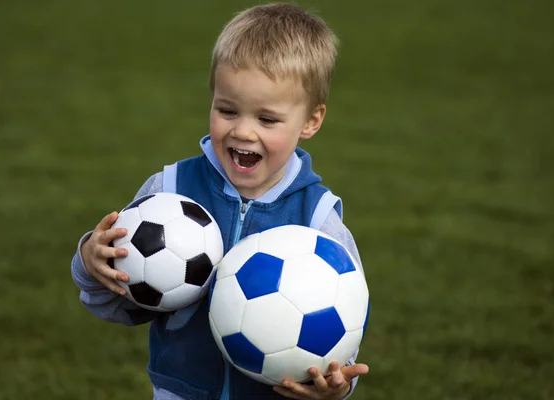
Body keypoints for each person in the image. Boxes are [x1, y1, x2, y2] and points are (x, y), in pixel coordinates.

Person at [71, 3, 369, 399]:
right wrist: (92, 265)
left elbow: (344, 335)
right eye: (227, 110)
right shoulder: (169, 191)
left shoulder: (318, 220)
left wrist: (336, 387)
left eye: (267, 119)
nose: (243, 131)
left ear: (311, 121)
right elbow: (120, 304)